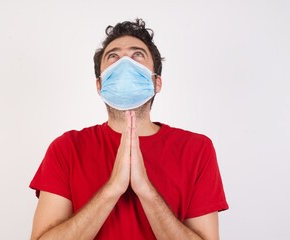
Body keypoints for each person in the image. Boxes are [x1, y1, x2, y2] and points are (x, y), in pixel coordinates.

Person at [29, 18, 228, 240]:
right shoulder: (66, 148)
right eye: (113, 56)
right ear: (99, 85)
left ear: (156, 82)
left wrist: (145, 190)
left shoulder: (196, 150)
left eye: (137, 55)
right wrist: (112, 189)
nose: (124, 63)